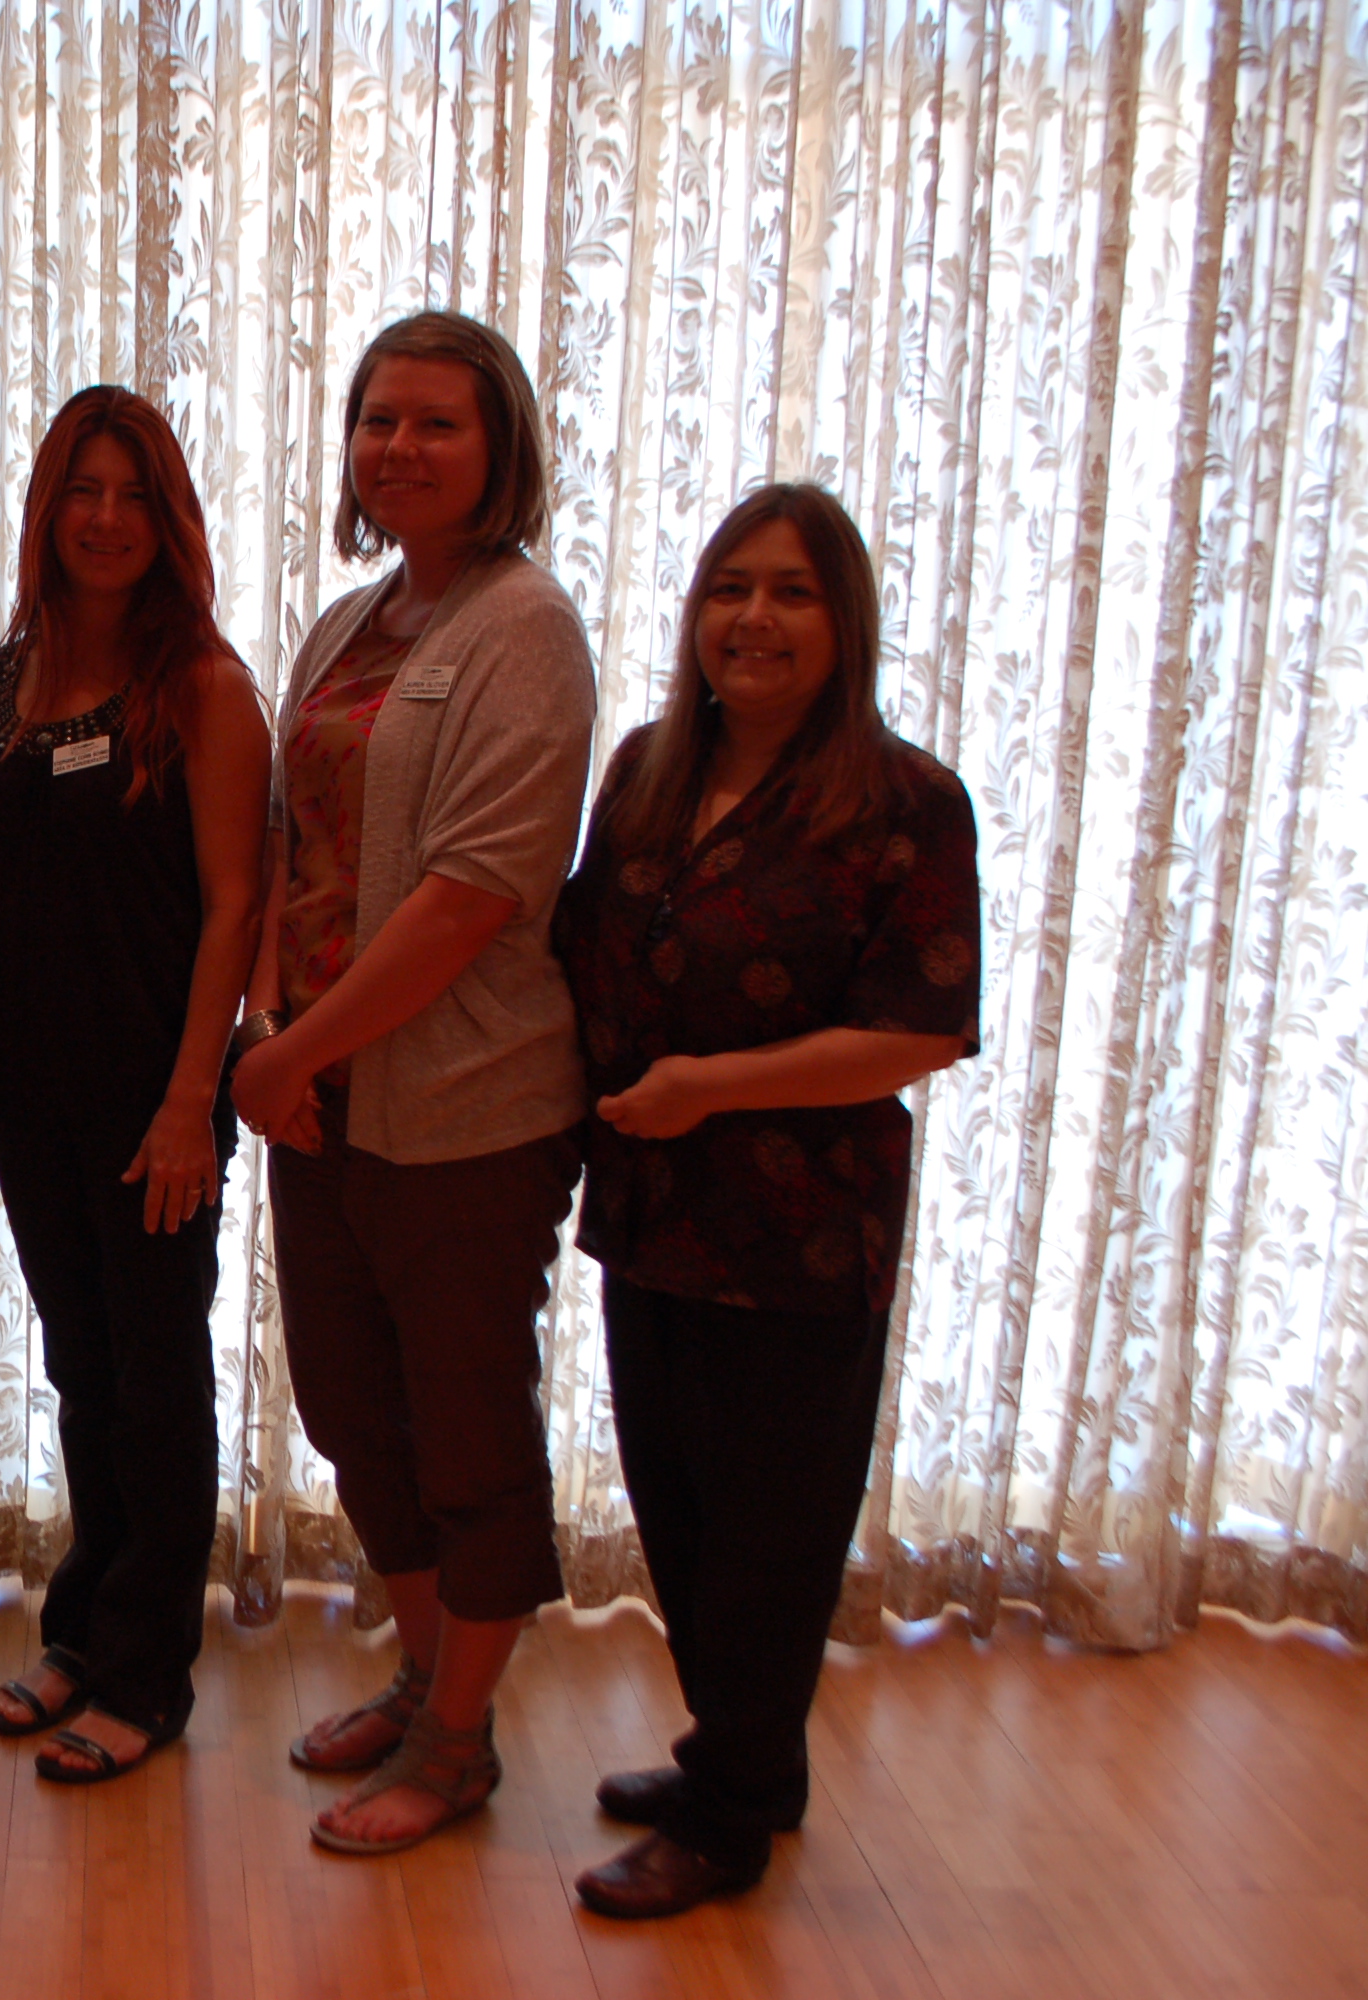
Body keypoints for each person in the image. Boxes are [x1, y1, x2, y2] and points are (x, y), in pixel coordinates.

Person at [554, 484, 979, 1917]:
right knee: (674, 1510)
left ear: (843, 620)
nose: (755, 617)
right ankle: (748, 1758)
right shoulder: (646, 770)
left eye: (793, 591)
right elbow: (577, 953)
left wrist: (710, 1089)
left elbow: (920, 1031)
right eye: (731, 588)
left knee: (768, 1539)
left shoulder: (906, 801)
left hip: (801, 1235)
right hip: (649, 1212)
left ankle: (729, 1818)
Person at [230, 311, 595, 1855]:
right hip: (317, 1100)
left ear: (498, 448)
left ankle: (460, 1739)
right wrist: (271, 1031)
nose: (400, 447)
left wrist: (284, 1053)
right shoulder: (347, 624)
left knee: (465, 1430)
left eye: (438, 421)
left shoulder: (527, 629)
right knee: (351, 1412)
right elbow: (287, 845)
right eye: (379, 419)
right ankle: (426, 1668)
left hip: (464, 1115)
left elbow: (470, 895)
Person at [0, 386, 271, 1785]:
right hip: (29, 1087)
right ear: (46, 510)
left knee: (156, 1379)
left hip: (155, 1098)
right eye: (83, 490)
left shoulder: (202, 687)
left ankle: (147, 1672)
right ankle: (84, 1625)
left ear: (171, 519)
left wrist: (196, 1099)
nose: (107, 518)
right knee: (83, 1369)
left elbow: (236, 903)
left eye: (136, 495)